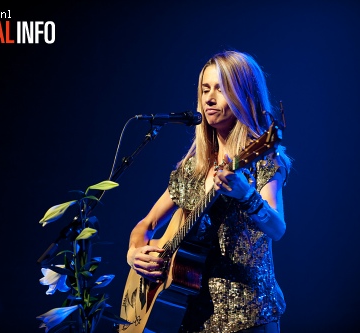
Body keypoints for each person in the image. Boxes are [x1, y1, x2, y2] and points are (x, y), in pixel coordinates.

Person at [125, 50, 292, 333]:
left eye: (221, 89)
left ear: (245, 96)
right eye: (205, 89)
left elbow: (277, 228)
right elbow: (147, 224)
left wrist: (247, 196)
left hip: (249, 317)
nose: (209, 98)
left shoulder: (263, 159)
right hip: (192, 315)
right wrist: (134, 253)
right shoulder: (193, 167)